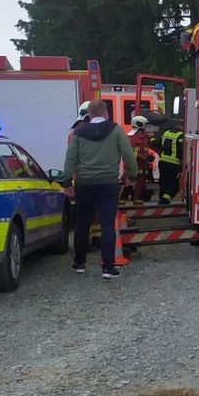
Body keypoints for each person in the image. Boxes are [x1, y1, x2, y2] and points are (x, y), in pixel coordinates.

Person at [63, 100, 138, 279]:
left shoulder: (79, 132)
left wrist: (66, 183)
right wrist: (132, 176)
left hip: (84, 184)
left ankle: (79, 263)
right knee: (107, 226)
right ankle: (108, 268)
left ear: (89, 114)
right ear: (106, 113)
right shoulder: (117, 130)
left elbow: (70, 159)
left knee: (82, 224)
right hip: (108, 184)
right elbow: (128, 154)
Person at [158, 120, 185, 205]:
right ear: (180, 125)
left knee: (164, 182)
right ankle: (163, 202)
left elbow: (158, 143)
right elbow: (181, 152)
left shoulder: (166, 133)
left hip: (162, 162)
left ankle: (161, 199)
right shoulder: (180, 136)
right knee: (174, 186)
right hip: (173, 164)